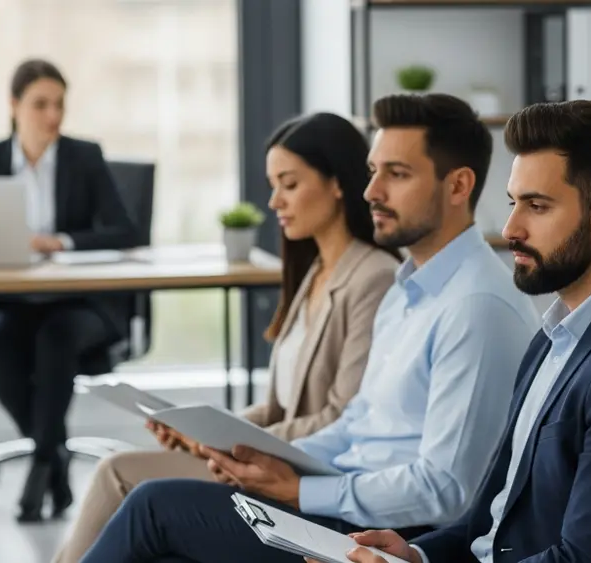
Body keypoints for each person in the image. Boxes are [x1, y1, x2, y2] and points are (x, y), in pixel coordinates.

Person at [78, 93, 541, 563]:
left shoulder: (476, 307)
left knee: (153, 507)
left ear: (458, 186)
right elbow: (356, 424)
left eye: (396, 174)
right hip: (347, 505)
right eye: (372, 171)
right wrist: (270, 463)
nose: (371, 191)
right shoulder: (408, 290)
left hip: (389, 532)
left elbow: (447, 491)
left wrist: (305, 491)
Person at [333, 100, 591, 563]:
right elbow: (489, 522)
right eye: (514, 203)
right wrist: (414, 554)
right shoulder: (551, 336)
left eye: (537, 206)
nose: (510, 228)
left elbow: (588, 559)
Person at [52, 112, 402, 562]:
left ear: (336, 183)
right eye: (273, 184)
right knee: (119, 474)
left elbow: (340, 418)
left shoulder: (373, 279)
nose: (275, 200)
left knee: (117, 473)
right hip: (266, 454)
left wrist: (226, 444)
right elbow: (279, 407)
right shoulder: (314, 270)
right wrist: (206, 429)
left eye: (289, 184)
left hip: (301, 474)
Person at [0, 58, 139, 523]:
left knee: (55, 338)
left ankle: (44, 462)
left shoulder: (84, 156)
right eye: (41, 104)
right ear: (14, 105)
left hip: (78, 303)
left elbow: (124, 230)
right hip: (10, 302)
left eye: (59, 104)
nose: (53, 116)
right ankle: (53, 458)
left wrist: (59, 242)